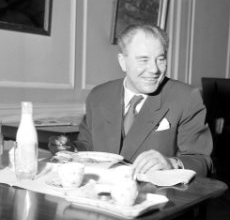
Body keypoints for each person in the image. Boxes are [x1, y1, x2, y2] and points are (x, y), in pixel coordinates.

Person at [50, 24, 213, 177]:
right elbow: (88, 146)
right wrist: (70, 149)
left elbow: (203, 161)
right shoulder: (99, 96)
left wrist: (171, 163)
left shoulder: (185, 97)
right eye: (143, 60)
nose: (154, 69)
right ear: (122, 62)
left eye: (160, 59)